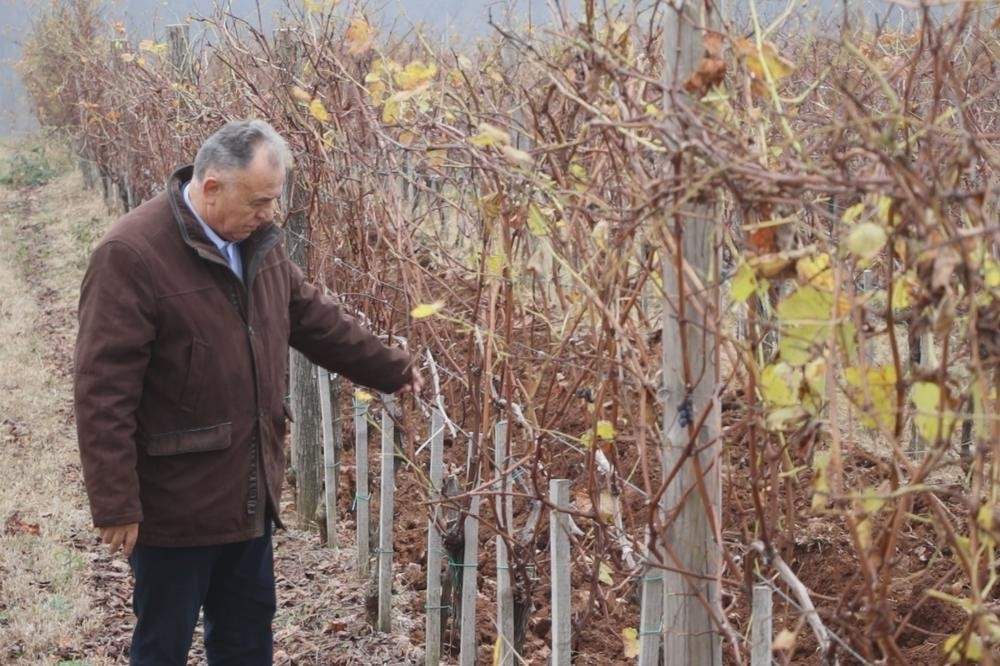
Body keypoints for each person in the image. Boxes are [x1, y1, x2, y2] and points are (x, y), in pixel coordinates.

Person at [73, 119, 422, 665]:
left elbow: (313, 317)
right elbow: (102, 390)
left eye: (273, 201)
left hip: (249, 493)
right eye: (259, 202)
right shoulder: (131, 254)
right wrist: (116, 502)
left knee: (246, 640)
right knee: (163, 644)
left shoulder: (260, 245)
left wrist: (391, 369)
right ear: (212, 187)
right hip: (174, 505)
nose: (269, 214)